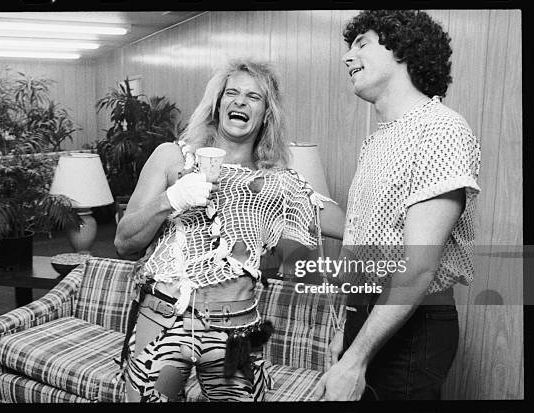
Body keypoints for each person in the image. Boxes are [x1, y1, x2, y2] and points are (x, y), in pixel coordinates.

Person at [114, 59, 345, 402]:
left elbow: (348, 225)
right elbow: (123, 242)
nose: (239, 101)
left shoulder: (275, 183)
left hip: (236, 330)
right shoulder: (171, 158)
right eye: (231, 93)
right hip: (163, 319)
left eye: (253, 96)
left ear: (266, 113)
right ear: (218, 103)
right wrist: (171, 198)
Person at [312, 10, 481, 401]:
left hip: (413, 326)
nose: (346, 57)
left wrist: (355, 359)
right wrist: (350, 325)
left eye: (361, 44)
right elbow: (369, 238)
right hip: (374, 316)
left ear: (401, 49)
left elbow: (418, 268)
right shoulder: (378, 140)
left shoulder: (440, 129)